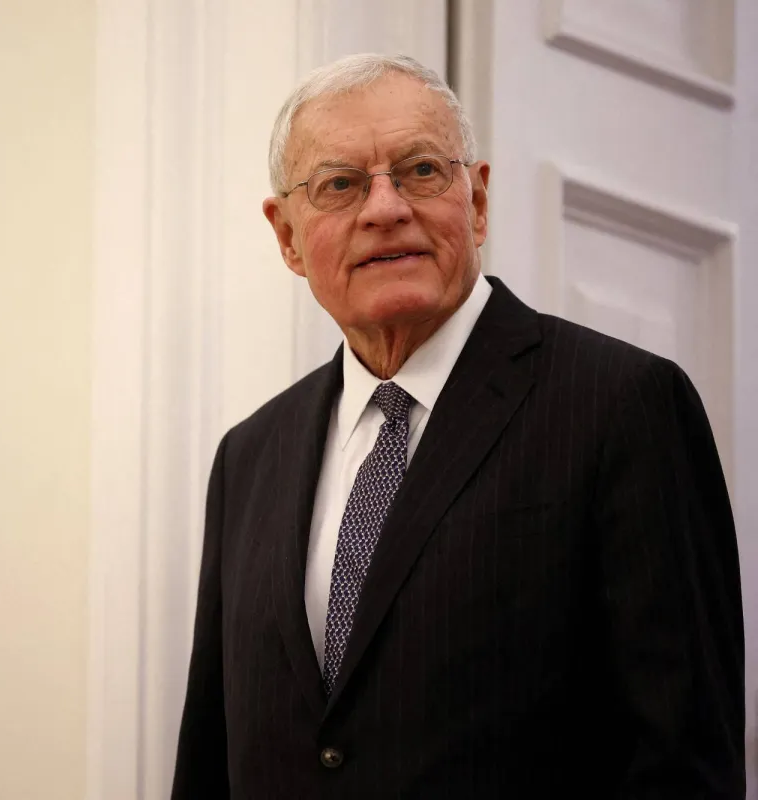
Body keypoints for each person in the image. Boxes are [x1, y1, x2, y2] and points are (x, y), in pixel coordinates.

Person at [171, 53, 745, 799]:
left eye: (420, 171)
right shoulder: (249, 456)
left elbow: (684, 759)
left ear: (476, 201)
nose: (384, 209)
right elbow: (211, 762)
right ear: (287, 237)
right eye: (340, 184)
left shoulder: (622, 404)